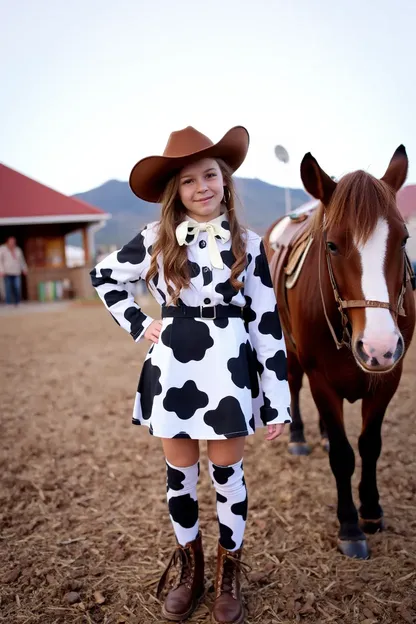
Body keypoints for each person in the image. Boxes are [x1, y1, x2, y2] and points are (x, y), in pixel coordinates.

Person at [90, 126, 291, 624]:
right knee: (179, 476)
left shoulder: (251, 244)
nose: (201, 186)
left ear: (225, 182)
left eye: (210, 175)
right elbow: (104, 276)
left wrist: (278, 400)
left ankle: (228, 574)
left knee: (228, 476)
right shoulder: (155, 240)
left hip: (229, 374)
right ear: (174, 193)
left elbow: (267, 325)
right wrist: (140, 323)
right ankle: (190, 569)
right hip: (173, 371)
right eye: (187, 181)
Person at [0, 237, 28, 306]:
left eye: (14, 242)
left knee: (17, 287)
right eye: (11, 242)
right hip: (7, 272)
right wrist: (1, 270)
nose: (12, 243)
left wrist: (24, 268)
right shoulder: (2, 249)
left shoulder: (18, 250)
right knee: (8, 288)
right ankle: (8, 303)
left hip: (16, 272)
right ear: (7, 242)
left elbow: (21, 260)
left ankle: (17, 302)